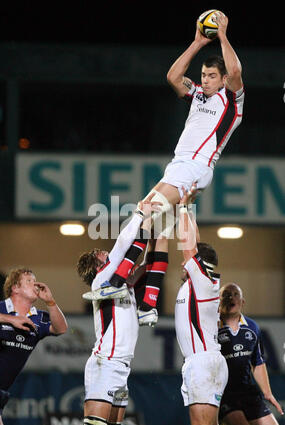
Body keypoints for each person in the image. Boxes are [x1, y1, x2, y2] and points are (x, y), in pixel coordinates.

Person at [92, 12, 244, 306]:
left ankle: (117, 280)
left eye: (213, 76)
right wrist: (198, 42)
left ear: (223, 79)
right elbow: (173, 77)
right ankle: (148, 303)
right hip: (179, 165)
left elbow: (236, 71)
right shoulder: (198, 95)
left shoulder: (231, 101)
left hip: (195, 167)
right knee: (154, 226)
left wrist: (223, 35)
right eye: (203, 75)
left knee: (144, 214)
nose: (206, 81)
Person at [68, 197, 167, 425]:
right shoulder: (101, 281)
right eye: (104, 254)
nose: (109, 253)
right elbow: (126, 244)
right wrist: (139, 215)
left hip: (121, 366)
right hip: (106, 363)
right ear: (97, 265)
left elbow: (146, 262)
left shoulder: (122, 284)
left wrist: (155, 228)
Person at [174, 188, 238, 425]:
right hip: (209, 361)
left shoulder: (202, 281)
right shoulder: (203, 281)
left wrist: (180, 208)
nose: (183, 262)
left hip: (202, 363)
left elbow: (189, 248)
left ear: (201, 263)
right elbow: (194, 244)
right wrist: (189, 208)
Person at [0, 268, 68, 425]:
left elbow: (61, 329)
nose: (35, 284)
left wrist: (51, 302)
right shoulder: (2, 309)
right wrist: (9, 319)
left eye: (35, 280)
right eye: (29, 281)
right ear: (15, 288)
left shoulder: (38, 318)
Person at [218, 282, 285, 425]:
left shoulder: (252, 327)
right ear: (218, 301)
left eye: (235, 294)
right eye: (226, 294)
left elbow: (258, 362)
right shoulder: (211, 328)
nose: (230, 298)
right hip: (225, 395)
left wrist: (268, 393)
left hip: (248, 393)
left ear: (242, 301)